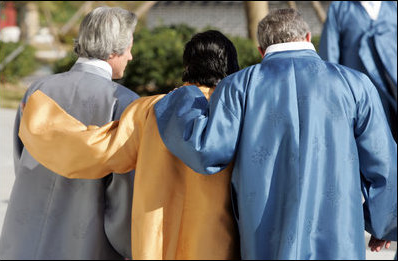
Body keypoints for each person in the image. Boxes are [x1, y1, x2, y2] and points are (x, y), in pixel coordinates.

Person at [152, 9, 396, 259]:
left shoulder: (238, 86)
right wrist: (384, 223)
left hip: (266, 238)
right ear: (308, 37)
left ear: (260, 49)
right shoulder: (355, 84)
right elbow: (383, 161)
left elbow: (206, 149)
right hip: (338, 235)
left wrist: (181, 100)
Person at [17, 30, 240, 260]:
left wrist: (39, 121)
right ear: (231, 66)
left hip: (157, 241)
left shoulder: (148, 111)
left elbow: (95, 148)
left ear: (187, 66)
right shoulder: (238, 115)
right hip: (217, 242)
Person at [0, 6, 139, 260]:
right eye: (129, 46)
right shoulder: (123, 103)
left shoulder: (38, 90)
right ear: (112, 50)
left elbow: (23, 161)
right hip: (87, 241)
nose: (130, 56)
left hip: (24, 236)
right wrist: (130, 246)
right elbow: (122, 191)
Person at [319, 1, 397, 142]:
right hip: (358, 92)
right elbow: (330, 55)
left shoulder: (392, 6)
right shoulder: (340, 8)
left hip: (392, 86)